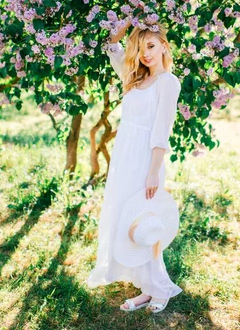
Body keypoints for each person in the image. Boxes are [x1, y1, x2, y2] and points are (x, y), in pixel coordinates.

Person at [86, 21, 182, 313]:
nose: (146, 54)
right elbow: (110, 46)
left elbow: (161, 130)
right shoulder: (134, 78)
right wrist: (129, 19)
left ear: (164, 46)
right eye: (140, 49)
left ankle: (160, 288)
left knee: (145, 223)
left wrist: (154, 170)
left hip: (145, 161)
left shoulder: (168, 82)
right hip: (124, 159)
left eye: (151, 46)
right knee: (128, 223)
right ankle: (147, 289)